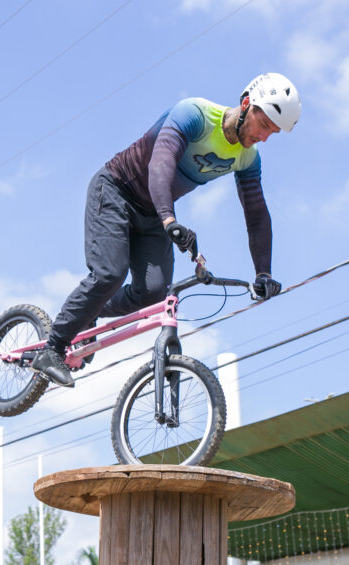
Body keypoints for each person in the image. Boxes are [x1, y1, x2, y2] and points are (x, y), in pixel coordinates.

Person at [31, 73, 301, 387]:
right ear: (245, 105)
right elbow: (163, 161)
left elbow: (256, 213)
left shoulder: (247, 159)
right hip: (116, 190)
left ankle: (89, 309)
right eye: (265, 124)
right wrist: (169, 220)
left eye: (274, 132)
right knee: (109, 274)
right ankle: (52, 349)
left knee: (154, 292)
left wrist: (263, 273)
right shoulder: (196, 115)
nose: (265, 136)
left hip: (152, 215)